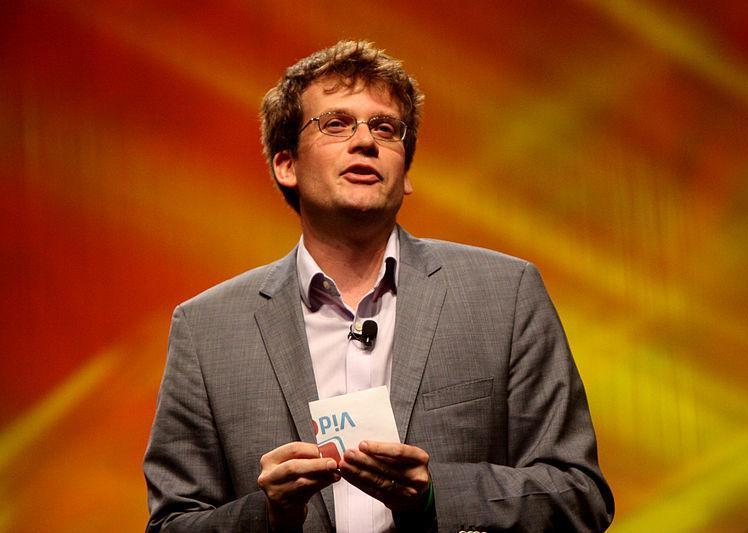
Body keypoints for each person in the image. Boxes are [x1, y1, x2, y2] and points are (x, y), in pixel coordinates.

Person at [144, 40, 614, 532]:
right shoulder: (207, 329)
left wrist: (434, 496)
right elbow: (173, 524)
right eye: (336, 123)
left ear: (405, 172)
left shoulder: (505, 294)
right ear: (287, 166)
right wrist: (269, 517)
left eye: (385, 128)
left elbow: (580, 496)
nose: (365, 141)